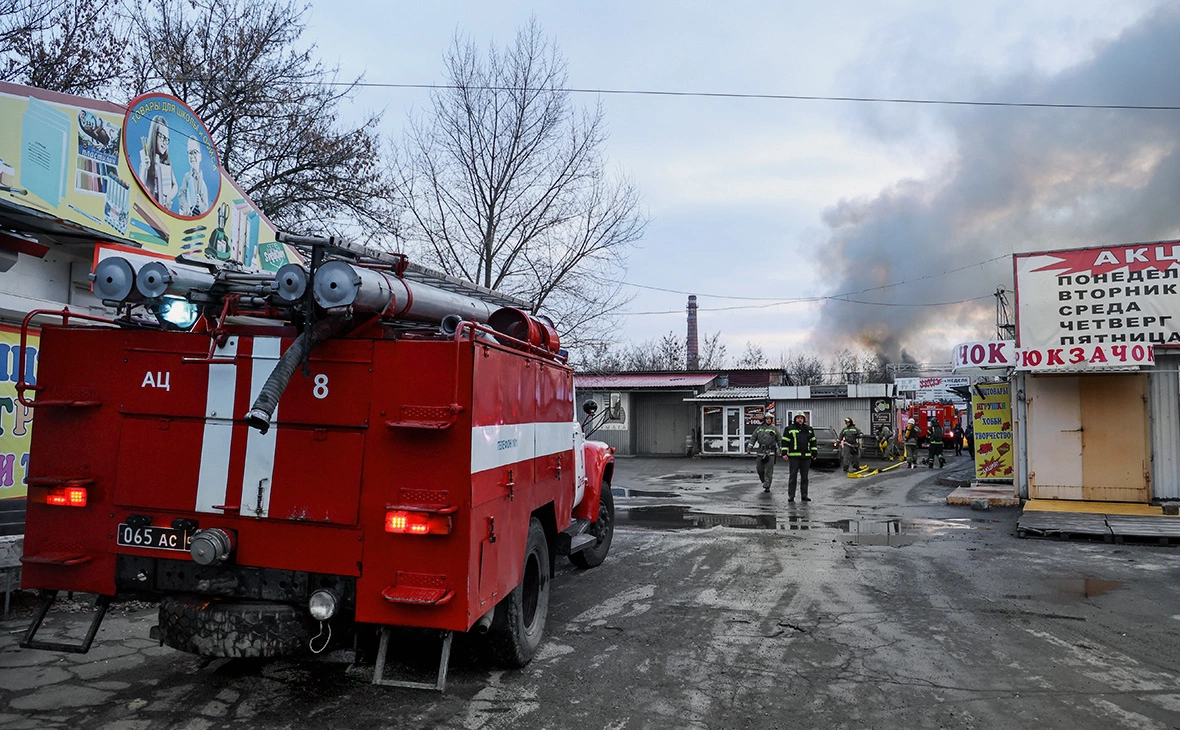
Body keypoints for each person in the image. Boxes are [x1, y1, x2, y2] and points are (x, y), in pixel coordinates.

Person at [139, 115, 177, 208]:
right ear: (154, 135)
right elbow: (142, 184)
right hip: (150, 206)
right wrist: (145, 168)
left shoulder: (166, 162)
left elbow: (175, 185)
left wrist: (169, 196)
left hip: (164, 207)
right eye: (162, 137)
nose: (165, 142)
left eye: (167, 139)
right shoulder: (146, 159)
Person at [781, 414, 817, 502]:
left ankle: (804, 495)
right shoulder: (789, 429)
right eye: (798, 418)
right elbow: (785, 441)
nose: (800, 420)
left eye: (801, 418)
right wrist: (784, 453)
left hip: (806, 457)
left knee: (805, 478)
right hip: (794, 457)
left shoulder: (809, 429)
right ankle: (791, 496)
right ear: (795, 419)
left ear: (804, 419)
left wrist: (814, 453)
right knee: (793, 477)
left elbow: (813, 442)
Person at [747, 412, 780, 493]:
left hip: (770, 452)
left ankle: (767, 485)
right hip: (760, 452)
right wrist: (749, 448)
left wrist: (782, 449)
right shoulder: (759, 429)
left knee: (768, 470)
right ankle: (764, 480)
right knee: (759, 469)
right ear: (764, 419)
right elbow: (753, 438)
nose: (768, 420)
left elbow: (779, 440)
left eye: (770, 419)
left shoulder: (774, 429)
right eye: (767, 419)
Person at [176, 137, 210, 217]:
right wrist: (185, 204)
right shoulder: (187, 177)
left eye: (194, 152)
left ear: (200, 156)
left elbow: (206, 209)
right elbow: (181, 194)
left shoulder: (203, 185)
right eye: (189, 153)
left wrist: (200, 204)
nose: (192, 156)